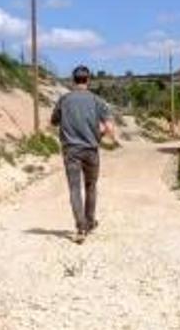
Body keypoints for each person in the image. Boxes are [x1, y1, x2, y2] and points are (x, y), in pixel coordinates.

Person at [50, 65, 115, 243]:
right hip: (91, 150)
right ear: (88, 80)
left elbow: (54, 121)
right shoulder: (97, 101)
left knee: (74, 188)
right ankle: (90, 221)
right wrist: (98, 135)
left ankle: (80, 228)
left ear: (73, 80)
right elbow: (109, 128)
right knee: (90, 187)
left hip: (71, 150)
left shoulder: (64, 100)